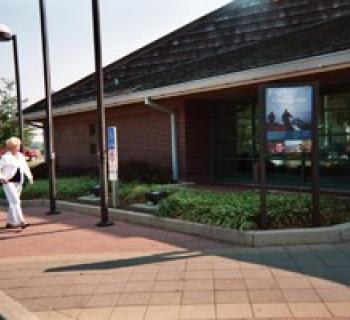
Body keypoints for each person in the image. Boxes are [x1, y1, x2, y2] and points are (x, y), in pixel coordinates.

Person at [0, 137, 33, 229]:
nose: (18, 148)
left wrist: (30, 177)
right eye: (17, 146)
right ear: (11, 148)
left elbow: (25, 167)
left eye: (18, 146)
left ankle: (10, 223)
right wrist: (2, 177)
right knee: (16, 201)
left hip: (19, 182)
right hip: (8, 182)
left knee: (13, 202)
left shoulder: (21, 156)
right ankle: (22, 221)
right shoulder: (5, 157)